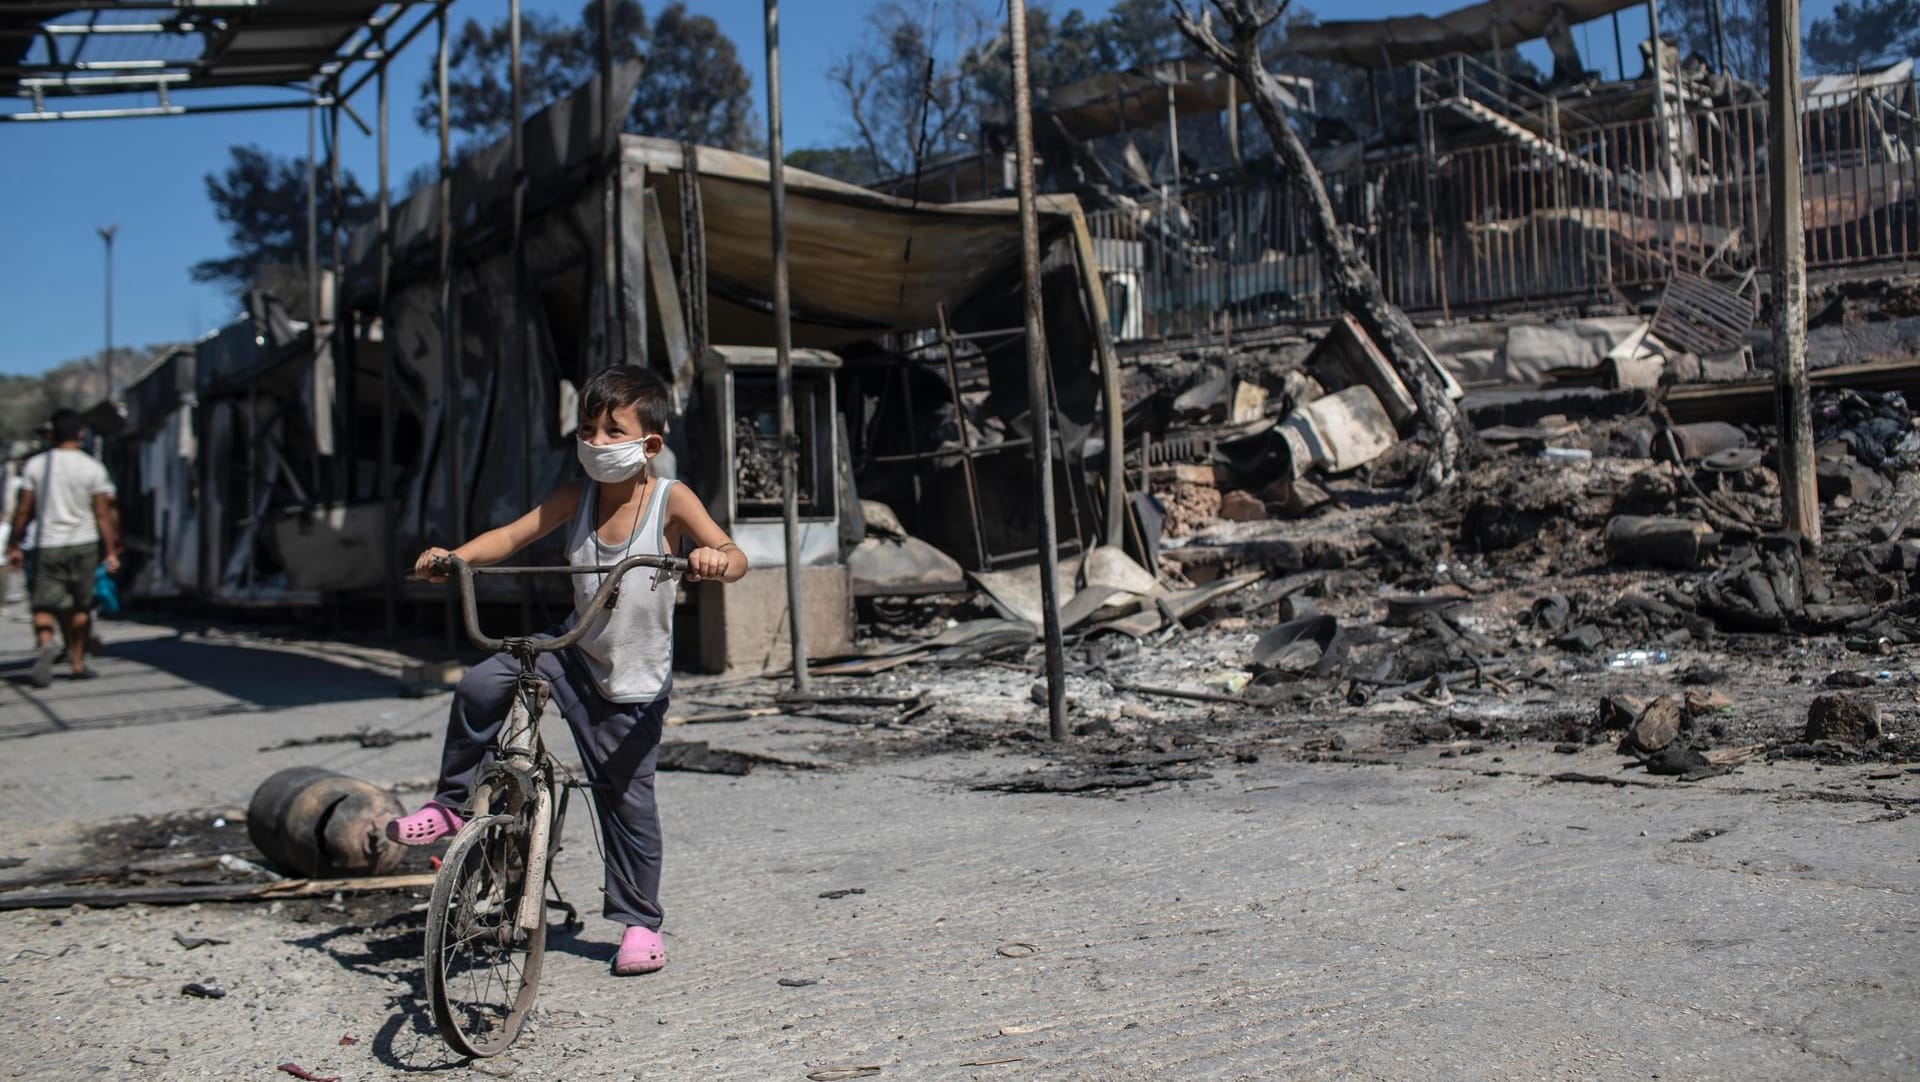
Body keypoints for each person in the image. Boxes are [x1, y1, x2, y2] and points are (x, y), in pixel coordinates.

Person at [387, 365, 747, 977]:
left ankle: (638, 923)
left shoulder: (670, 497)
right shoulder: (572, 497)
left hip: (633, 673)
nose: (597, 443)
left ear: (649, 445)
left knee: (626, 799)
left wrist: (714, 559)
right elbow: (509, 536)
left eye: (613, 431)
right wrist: (455, 558)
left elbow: (734, 555)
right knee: (482, 682)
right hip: (573, 647)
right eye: (588, 429)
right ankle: (452, 805)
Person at [5, 410, 119, 687]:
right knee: (80, 605)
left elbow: (23, 510)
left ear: (51, 434)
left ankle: (46, 644)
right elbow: (103, 514)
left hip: (47, 543)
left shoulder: (36, 465)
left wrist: (14, 543)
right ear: (80, 434)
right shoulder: (92, 467)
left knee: (43, 603)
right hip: (84, 543)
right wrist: (111, 550)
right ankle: (78, 663)